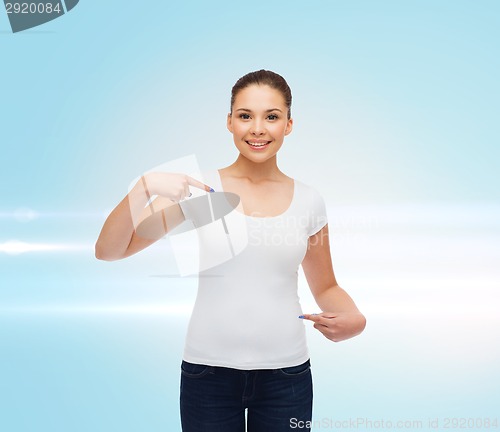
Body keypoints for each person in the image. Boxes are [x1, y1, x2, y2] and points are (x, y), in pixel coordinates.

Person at [95, 69, 366, 432]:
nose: (257, 128)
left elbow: (327, 287)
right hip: (207, 375)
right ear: (229, 122)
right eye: (245, 116)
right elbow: (109, 251)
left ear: (288, 124)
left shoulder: (309, 200)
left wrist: (355, 319)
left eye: (271, 116)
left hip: (287, 377)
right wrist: (142, 188)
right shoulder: (199, 189)